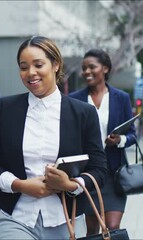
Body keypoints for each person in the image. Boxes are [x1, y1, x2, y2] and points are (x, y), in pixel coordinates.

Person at [0, 36, 108, 239]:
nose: (31, 72)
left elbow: (100, 169)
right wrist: (19, 185)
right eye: (23, 67)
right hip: (15, 217)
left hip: (67, 221)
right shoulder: (6, 108)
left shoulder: (83, 113)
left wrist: (70, 185)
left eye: (38, 64)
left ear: (56, 64)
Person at [69, 48, 136, 235]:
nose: (86, 72)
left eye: (92, 67)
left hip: (114, 175)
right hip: (88, 174)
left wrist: (119, 140)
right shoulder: (75, 100)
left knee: (112, 228)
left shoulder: (120, 98)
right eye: (84, 68)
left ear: (105, 68)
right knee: (92, 229)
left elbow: (132, 135)